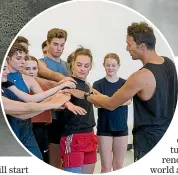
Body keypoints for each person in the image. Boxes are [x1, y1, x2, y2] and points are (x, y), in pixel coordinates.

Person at [66, 22, 178, 162]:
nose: (127, 48)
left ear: (142, 46)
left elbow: (111, 103)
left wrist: (85, 94)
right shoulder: (169, 63)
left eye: (129, 44)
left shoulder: (140, 76)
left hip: (148, 143)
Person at [22, 55, 86, 164]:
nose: (31, 72)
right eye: (27, 69)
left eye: (34, 68)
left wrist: (65, 102)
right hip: (24, 125)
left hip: (40, 125)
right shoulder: (18, 85)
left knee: (43, 157)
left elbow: (48, 94)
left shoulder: (38, 83)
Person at [1, 60, 71, 160]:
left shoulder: (8, 86)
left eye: (34, 68)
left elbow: (24, 114)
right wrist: (52, 103)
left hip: (24, 130)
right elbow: (27, 107)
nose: (8, 71)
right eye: (4, 69)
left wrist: (53, 100)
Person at [60, 47, 97, 174]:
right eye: (79, 64)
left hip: (90, 134)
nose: (82, 68)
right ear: (73, 64)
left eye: (86, 65)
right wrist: (67, 103)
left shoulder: (88, 85)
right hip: (73, 135)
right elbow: (58, 98)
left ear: (90, 67)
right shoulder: (68, 83)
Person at [93, 53, 131, 172]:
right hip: (104, 128)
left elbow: (128, 101)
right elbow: (96, 103)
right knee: (106, 167)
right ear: (104, 66)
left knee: (119, 166)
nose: (110, 68)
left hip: (121, 127)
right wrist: (117, 101)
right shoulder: (98, 84)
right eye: (108, 65)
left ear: (118, 66)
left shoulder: (125, 83)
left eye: (113, 65)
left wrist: (107, 101)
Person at [40, 28, 71, 168]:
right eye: (55, 44)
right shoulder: (40, 64)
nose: (59, 48)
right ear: (48, 43)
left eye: (62, 44)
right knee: (52, 157)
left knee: (66, 156)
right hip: (49, 115)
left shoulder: (67, 66)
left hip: (67, 115)